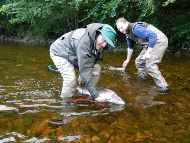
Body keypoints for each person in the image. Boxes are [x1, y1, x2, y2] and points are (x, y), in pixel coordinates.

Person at [50, 23, 116, 101]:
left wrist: (83, 76)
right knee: (71, 79)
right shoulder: (84, 43)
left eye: (107, 43)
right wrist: (96, 96)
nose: (104, 44)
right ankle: (66, 103)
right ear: (99, 33)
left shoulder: (96, 41)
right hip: (60, 53)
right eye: (104, 40)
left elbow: (93, 61)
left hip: (74, 54)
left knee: (96, 68)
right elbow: (85, 71)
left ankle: (87, 91)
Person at [116, 17, 169, 92]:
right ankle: (143, 77)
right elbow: (130, 47)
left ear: (127, 23)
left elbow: (153, 36)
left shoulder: (136, 28)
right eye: (119, 29)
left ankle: (163, 86)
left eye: (122, 27)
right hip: (149, 44)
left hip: (159, 41)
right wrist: (127, 59)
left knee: (150, 64)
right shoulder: (128, 34)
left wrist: (148, 52)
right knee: (139, 61)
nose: (121, 30)